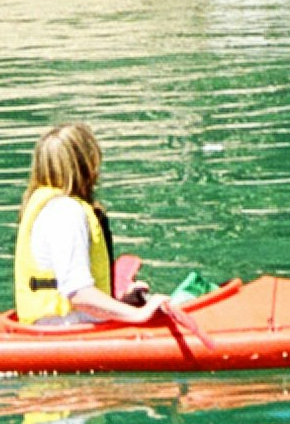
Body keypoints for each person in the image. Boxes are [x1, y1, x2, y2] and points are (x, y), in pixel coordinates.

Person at [13, 121, 172, 327]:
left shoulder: (49, 207)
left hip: (59, 323)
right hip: (67, 330)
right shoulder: (65, 212)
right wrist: (138, 314)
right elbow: (79, 295)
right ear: (87, 165)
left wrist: (122, 304)